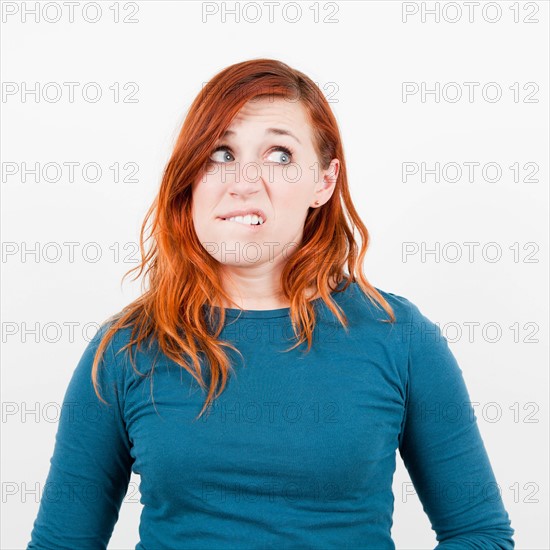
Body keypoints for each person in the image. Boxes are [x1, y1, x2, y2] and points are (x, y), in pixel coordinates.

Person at [27, 58, 515, 549]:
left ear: (323, 182)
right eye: (220, 152)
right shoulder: (125, 348)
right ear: (190, 179)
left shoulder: (400, 336)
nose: (243, 180)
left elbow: (480, 535)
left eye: (279, 155)